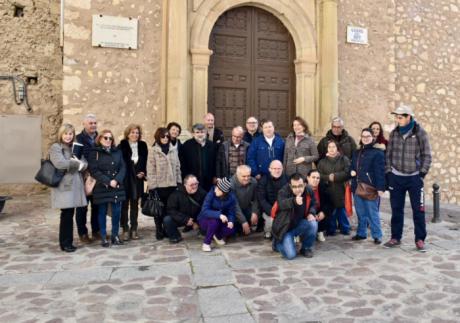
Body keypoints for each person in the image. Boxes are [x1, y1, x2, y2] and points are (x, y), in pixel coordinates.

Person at [384, 105, 432, 252]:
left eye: (400, 117)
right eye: (396, 117)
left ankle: (419, 239)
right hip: (396, 178)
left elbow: (427, 155)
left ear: (408, 117)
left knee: (419, 210)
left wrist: (421, 173)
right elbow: (388, 155)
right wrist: (389, 173)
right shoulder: (394, 133)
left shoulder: (420, 133)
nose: (397, 120)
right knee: (396, 210)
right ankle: (395, 237)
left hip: (414, 178)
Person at [49, 123, 88, 252]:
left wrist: (79, 164)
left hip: (76, 185)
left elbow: (84, 163)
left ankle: (67, 241)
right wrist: (77, 164)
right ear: (61, 134)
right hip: (64, 186)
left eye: (70, 134)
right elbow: (60, 163)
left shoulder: (75, 147)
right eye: (66, 133)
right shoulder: (56, 147)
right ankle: (65, 243)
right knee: (66, 214)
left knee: (70, 213)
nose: (68, 136)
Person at [88, 129, 126, 247]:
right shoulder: (95, 153)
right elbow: (94, 170)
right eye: (105, 138)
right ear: (100, 139)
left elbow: (123, 167)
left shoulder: (117, 152)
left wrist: (117, 180)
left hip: (116, 186)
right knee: (102, 212)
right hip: (102, 186)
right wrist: (109, 181)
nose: (108, 140)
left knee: (116, 212)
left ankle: (115, 235)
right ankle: (103, 237)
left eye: (110, 138)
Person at [350, 128, 385, 244]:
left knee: (372, 212)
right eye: (363, 136)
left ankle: (377, 234)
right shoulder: (356, 153)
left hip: (370, 187)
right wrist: (351, 171)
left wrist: (380, 188)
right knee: (360, 212)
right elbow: (352, 167)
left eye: (368, 136)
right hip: (357, 187)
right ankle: (361, 233)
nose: (365, 138)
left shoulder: (378, 153)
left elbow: (380, 172)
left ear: (372, 138)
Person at [271, 173, 318, 260]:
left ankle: (306, 248)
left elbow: (314, 203)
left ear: (304, 184)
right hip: (285, 228)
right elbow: (281, 204)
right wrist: (293, 201)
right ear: (290, 185)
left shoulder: (308, 190)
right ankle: (277, 243)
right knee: (290, 255)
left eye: (300, 186)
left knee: (313, 223)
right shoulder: (283, 191)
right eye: (294, 187)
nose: (298, 189)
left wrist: (311, 213)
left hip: (299, 223)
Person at [147, 127, 182, 240]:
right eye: (163, 136)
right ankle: (159, 229)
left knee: (169, 209)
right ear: (158, 137)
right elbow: (151, 169)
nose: (166, 138)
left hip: (172, 185)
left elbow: (177, 167)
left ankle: (167, 228)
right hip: (159, 185)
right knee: (158, 209)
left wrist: (179, 182)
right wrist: (152, 186)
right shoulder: (153, 150)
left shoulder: (173, 149)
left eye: (167, 136)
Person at [118, 124, 148, 241]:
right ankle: (125, 228)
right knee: (124, 205)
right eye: (132, 132)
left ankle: (134, 228)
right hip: (126, 179)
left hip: (138, 180)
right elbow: (119, 163)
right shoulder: (122, 146)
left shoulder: (142, 145)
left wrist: (143, 172)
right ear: (127, 134)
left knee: (135, 204)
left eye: (137, 133)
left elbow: (145, 161)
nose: (135, 135)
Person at [317, 140, 351, 235]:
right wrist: (328, 177)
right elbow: (318, 175)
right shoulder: (322, 162)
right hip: (328, 189)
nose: (331, 149)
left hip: (341, 188)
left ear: (337, 148)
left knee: (341, 209)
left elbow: (347, 172)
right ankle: (331, 229)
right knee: (330, 210)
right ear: (327, 149)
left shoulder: (344, 159)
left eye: (333, 147)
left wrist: (335, 176)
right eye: (329, 147)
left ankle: (345, 228)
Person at [75, 113, 99, 243]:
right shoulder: (78, 139)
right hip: (83, 178)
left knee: (97, 206)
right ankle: (82, 233)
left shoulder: (100, 138)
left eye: (95, 123)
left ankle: (96, 231)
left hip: (98, 178)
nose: (93, 125)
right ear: (84, 124)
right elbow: (76, 158)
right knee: (82, 207)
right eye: (90, 123)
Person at [163, 175, 207, 243]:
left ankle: (203, 232)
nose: (195, 186)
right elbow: (171, 210)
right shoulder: (176, 194)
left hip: (196, 217)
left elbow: (206, 208)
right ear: (185, 185)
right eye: (191, 185)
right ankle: (175, 237)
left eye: (196, 184)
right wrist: (185, 219)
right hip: (182, 218)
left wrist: (197, 221)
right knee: (167, 219)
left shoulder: (202, 193)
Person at [198, 178, 237, 252]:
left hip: (220, 220)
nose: (216, 190)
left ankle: (217, 236)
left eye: (219, 189)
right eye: (216, 187)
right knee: (214, 221)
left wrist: (231, 221)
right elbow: (204, 210)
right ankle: (206, 243)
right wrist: (219, 215)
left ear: (224, 192)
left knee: (231, 229)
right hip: (205, 219)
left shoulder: (231, 198)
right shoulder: (211, 194)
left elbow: (231, 211)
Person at [179, 123, 216, 191]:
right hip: (192, 180)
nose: (200, 134)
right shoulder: (187, 145)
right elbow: (183, 163)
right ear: (193, 134)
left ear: (205, 133)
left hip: (208, 180)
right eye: (197, 132)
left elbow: (215, 162)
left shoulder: (211, 145)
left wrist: (215, 176)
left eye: (202, 132)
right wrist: (186, 177)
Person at [257, 160, 288, 239]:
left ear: (282, 169)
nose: (277, 171)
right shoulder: (263, 180)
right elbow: (262, 199)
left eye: (279, 168)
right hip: (269, 209)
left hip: (284, 208)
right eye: (274, 168)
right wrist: (271, 211)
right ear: (269, 169)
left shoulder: (287, 179)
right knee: (271, 220)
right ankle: (268, 231)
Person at [230, 165, 260, 235]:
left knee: (258, 215)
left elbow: (256, 199)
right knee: (234, 230)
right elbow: (234, 205)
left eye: (248, 175)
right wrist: (243, 221)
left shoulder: (254, 182)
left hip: (246, 208)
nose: (246, 178)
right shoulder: (231, 184)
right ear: (237, 175)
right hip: (232, 211)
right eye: (243, 176)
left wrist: (254, 212)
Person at [306, 169, 331, 242]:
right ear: (308, 178)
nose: (315, 180)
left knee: (327, 210)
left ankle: (320, 231)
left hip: (318, 212)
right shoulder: (302, 187)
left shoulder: (323, 187)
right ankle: (298, 233)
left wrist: (323, 212)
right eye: (313, 177)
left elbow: (329, 203)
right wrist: (311, 214)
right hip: (305, 213)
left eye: (317, 178)